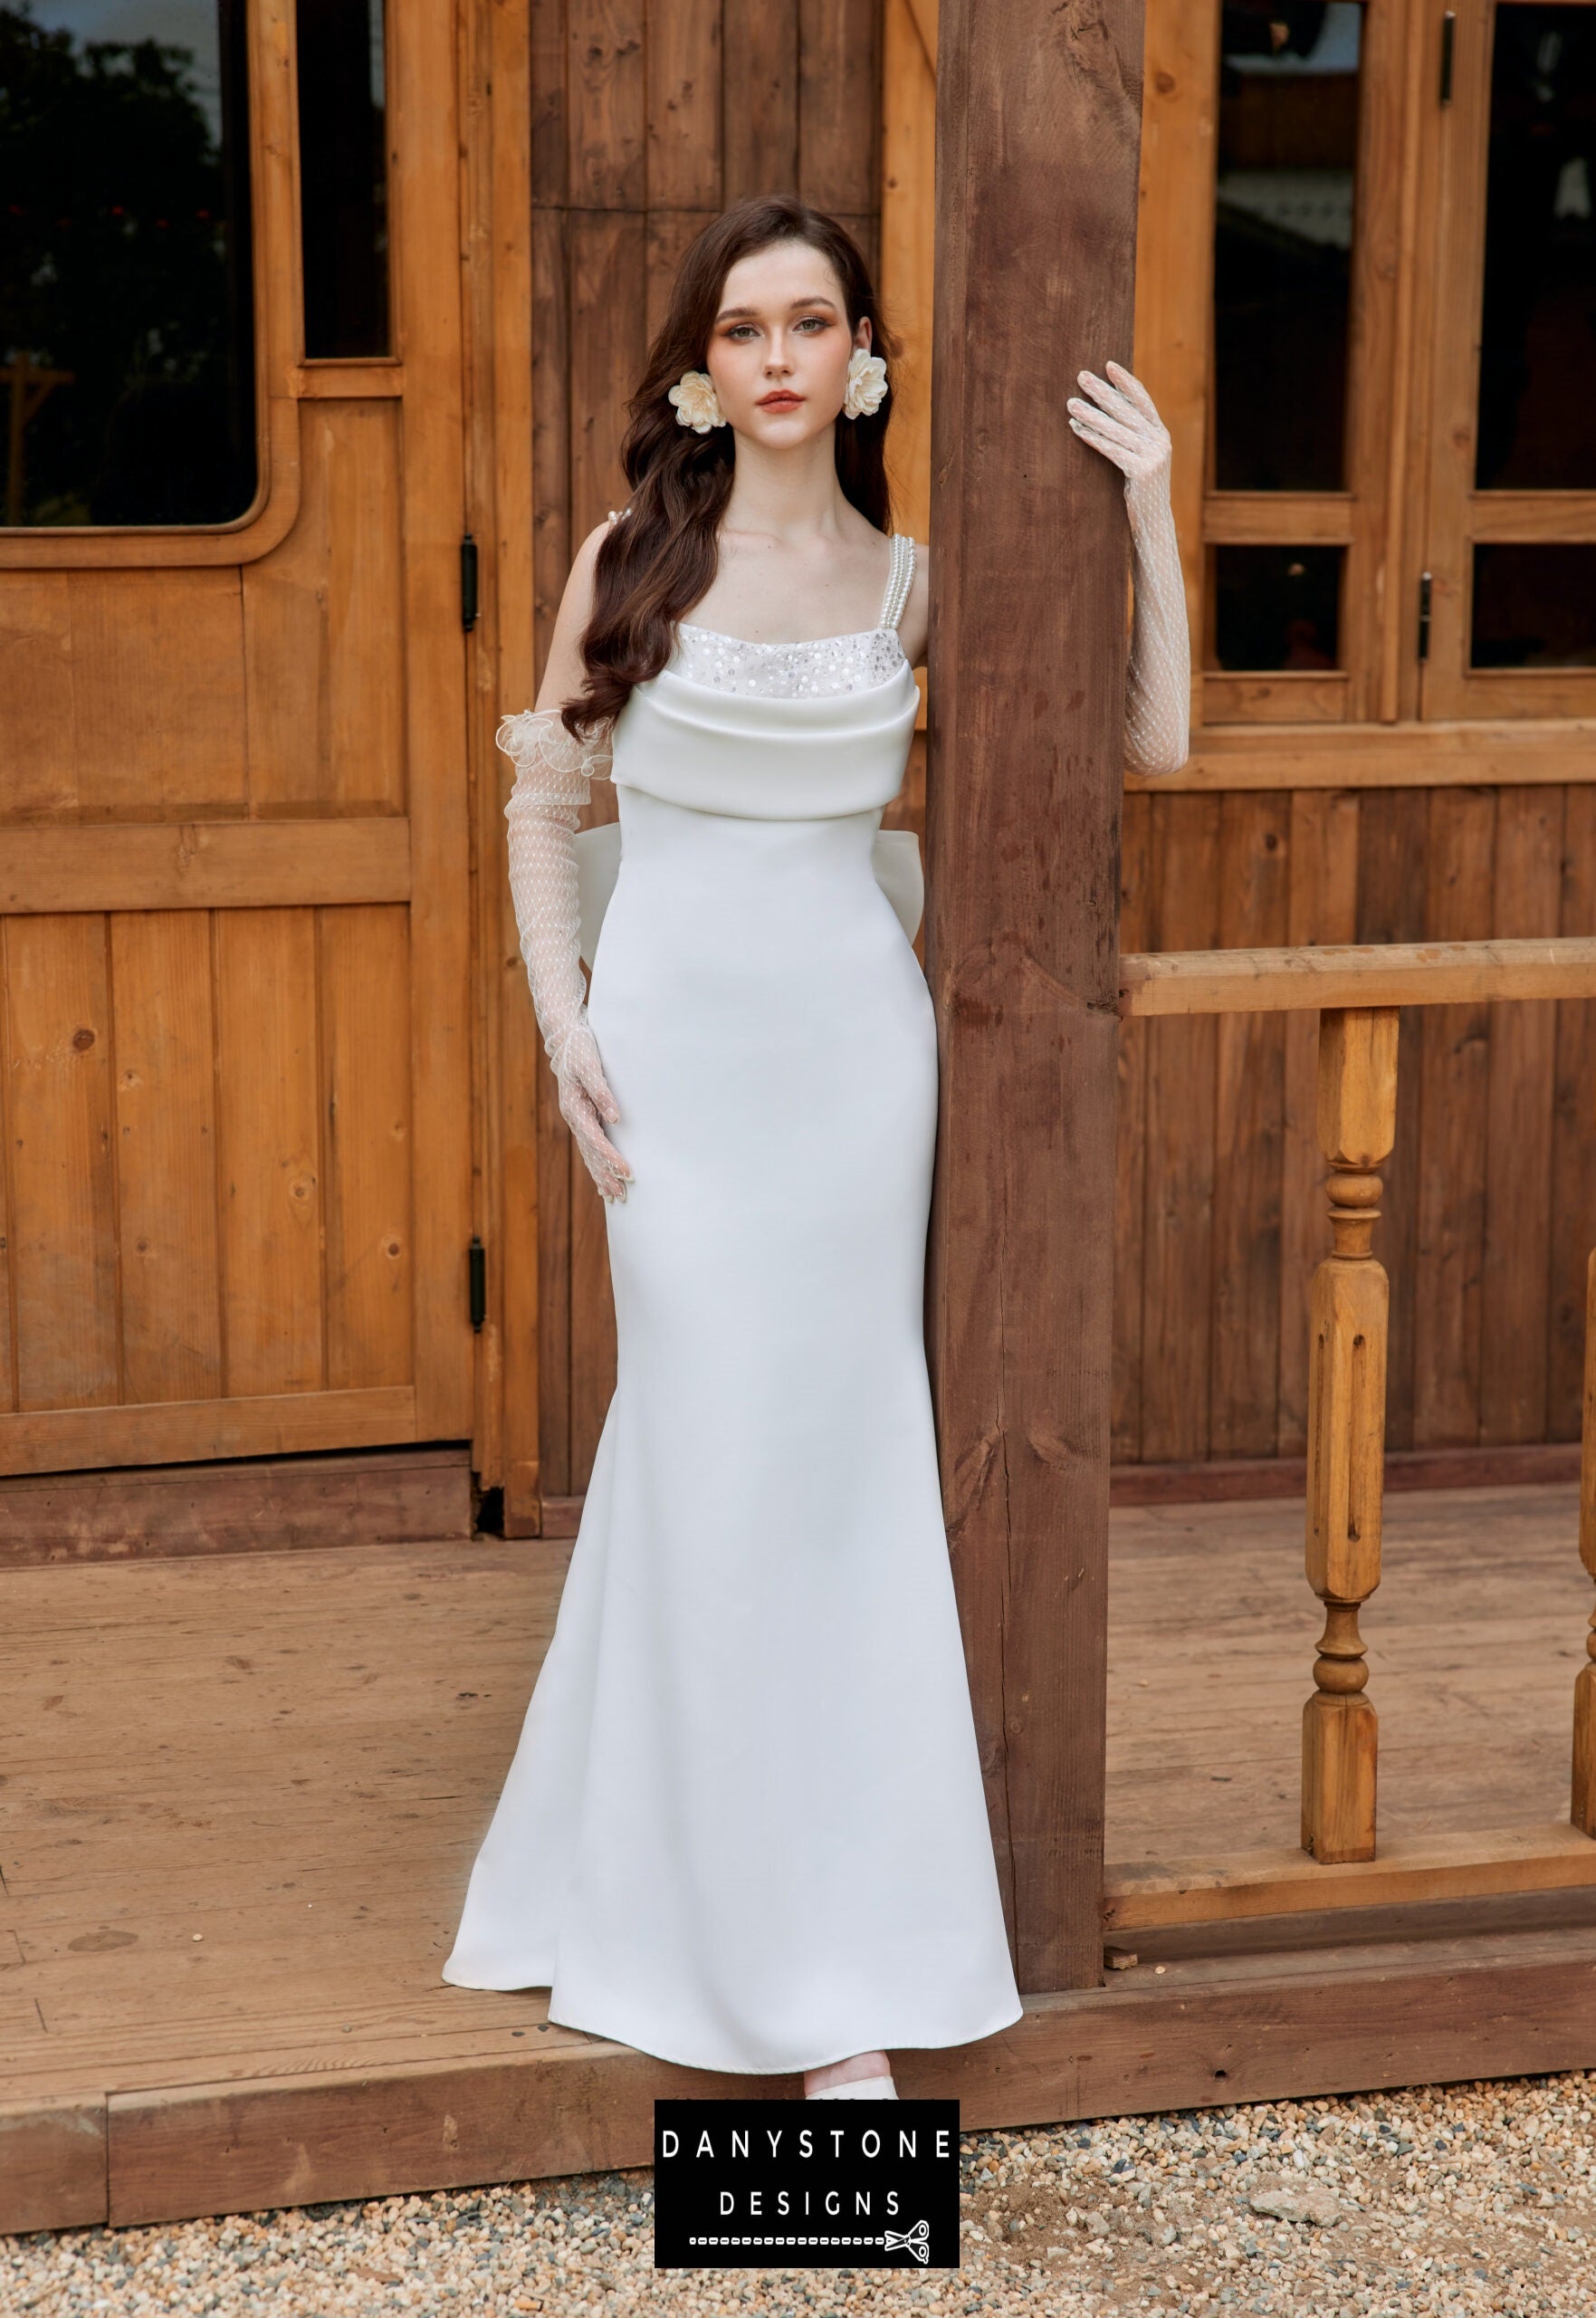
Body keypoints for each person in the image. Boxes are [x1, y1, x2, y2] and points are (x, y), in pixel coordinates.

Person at [441, 194, 1190, 2100]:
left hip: (856, 1072)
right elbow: (548, 805)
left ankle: (834, 1948)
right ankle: (710, 1923)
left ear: (864, 358)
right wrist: (565, 1029)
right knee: (704, 1450)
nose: (778, 356)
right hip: (674, 1067)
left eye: (812, 322)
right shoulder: (633, 556)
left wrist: (1153, 509)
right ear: (705, 365)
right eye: (744, 327)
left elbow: (1152, 743)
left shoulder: (920, 580)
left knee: (831, 1478)